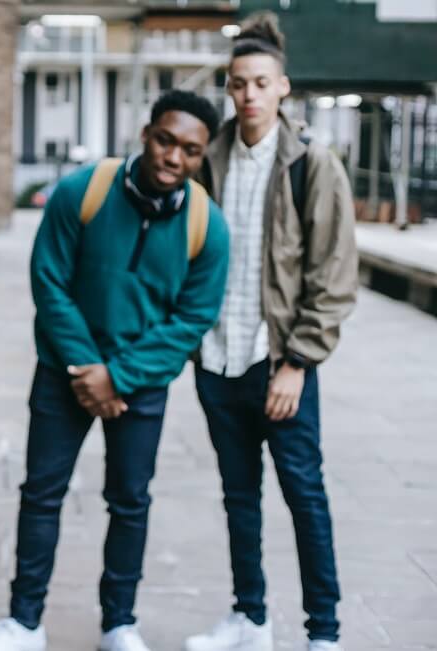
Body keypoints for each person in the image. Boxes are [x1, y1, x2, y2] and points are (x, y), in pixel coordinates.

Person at [0, 90, 229, 651]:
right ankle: (24, 622)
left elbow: (193, 319)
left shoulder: (209, 225)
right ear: (146, 133)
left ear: (201, 156)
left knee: (130, 500)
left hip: (141, 385)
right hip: (64, 372)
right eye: (165, 140)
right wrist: (87, 367)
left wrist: (120, 376)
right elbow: (49, 281)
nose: (173, 158)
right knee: (42, 492)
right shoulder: (83, 191)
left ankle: (119, 623)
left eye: (189, 150)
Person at [185, 13, 358, 651]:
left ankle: (325, 632)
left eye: (261, 82)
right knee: (239, 498)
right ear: (228, 89)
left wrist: (298, 362)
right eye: (238, 83)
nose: (249, 94)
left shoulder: (313, 165)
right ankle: (249, 618)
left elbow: (334, 277)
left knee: (303, 496)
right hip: (217, 359)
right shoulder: (210, 160)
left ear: (283, 87)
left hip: (278, 364)